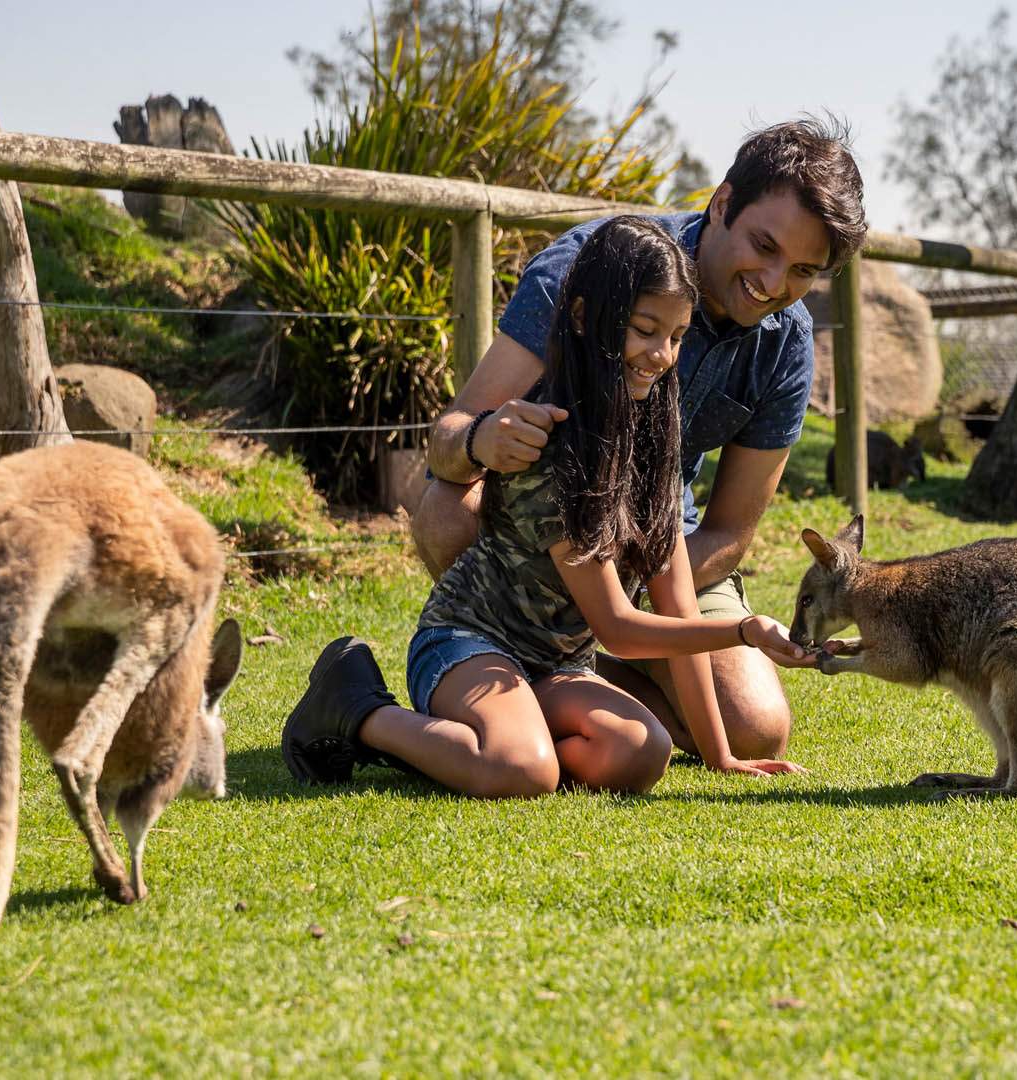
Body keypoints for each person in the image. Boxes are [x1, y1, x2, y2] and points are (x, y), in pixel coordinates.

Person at [282, 217, 817, 796]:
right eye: (644, 329)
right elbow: (619, 630)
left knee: (644, 752)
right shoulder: (556, 445)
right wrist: (741, 630)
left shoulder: (655, 440)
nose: (662, 355)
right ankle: (359, 709)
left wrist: (721, 758)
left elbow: (677, 601)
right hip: (472, 642)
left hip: (557, 666)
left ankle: (504, 739)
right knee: (524, 772)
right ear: (585, 318)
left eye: (678, 336)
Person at [410, 117, 867, 765]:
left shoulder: (786, 342)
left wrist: (629, 583)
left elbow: (731, 531)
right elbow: (445, 444)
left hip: (647, 545)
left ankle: (562, 686)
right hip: (541, 530)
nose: (772, 283)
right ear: (723, 203)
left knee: (756, 727)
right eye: (763, 246)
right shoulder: (588, 274)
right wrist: (486, 439)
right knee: (447, 506)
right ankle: (480, 673)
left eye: (801, 270)